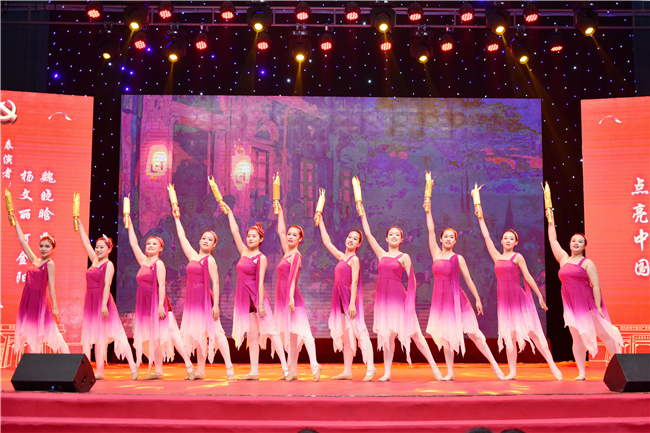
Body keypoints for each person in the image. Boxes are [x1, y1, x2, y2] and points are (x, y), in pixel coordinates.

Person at [358, 203, 442, 382]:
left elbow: (412, 280)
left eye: (397, 234)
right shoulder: (381, 254)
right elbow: (368, 234)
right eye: (391, 234)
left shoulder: (404, 257)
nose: (394, 236)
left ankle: (435, 369)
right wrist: (363, 214)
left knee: (416, 335)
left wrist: (410, 302)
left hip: (400, 299)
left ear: (401, 239)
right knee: (388, 336)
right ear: (386, 238)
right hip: (384, 299)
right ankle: (387, 373)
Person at [475, 210, 562, 380]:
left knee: (533, 333)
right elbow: (486, 237)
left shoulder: (517, 257)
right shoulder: (497, 257)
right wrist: (480, 218)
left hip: (518, 299)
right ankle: (513, 372)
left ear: (516, 242)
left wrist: (539, 296)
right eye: (505, 238)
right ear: (501, 241)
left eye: (511, 239)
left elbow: (528, 277)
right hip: (504, 301)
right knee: (510, 335)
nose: (508, 240)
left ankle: (552, 366)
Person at [424, 202, 504, 381]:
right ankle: (450, 372)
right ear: (440, 239)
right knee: (446, 336)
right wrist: (428, 211)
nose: (448, 239)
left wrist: (477, 298)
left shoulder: (458, 258)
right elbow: (431, 230)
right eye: (445, 237)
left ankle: (496, 367)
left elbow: (468, 279)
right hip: (441, 302)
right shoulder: (435, 253)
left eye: (451, 237)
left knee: (475, 334)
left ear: (455, 240)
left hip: (458, 300)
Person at [546, 210, 622, 380]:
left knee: (603, 334)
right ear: (569, 243)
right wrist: (550, 219)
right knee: (577, 339)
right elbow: (553, 240)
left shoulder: (587, 263)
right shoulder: (563, 259)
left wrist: (598, 307)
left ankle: (622, 364)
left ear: (584, 246)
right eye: (574, 241)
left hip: (587, 304)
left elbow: (596, 286)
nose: (576, 243)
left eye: (580, 242)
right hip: (570, 305)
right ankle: (581, 372)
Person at [222, 203, 292, 381]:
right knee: (252, 335)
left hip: (257, 298)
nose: (250, 238)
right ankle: (254, 371)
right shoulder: (243, 252)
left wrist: (260, 304)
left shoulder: (261, 258)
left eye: (254, 236)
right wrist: (230, 212)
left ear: (261, 240)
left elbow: (260, 282)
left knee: (272, 331)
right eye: (249, 236)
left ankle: (286, 369)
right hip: (244, 299)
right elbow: (235, 232)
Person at [125, 215, 195, 380]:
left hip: (158, 303)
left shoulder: (159, 264)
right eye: (148, 243)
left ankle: (189, 366)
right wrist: (129, 224)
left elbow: (162, 285)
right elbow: (134, 243)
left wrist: (161, 306)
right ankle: (158, 371)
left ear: (160, 249)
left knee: (172, 333)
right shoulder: (143, 262)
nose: (150, 246)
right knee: (153, 336)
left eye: (154, 244)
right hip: (144, 304)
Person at [173, 214, 235, 380]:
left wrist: (216, 306)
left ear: (214, 245)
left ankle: (229, 367)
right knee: (200, 333)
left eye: (210, 239)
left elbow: (216, 282)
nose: (206, 241)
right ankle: (200, 371)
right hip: (192, 299)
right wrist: (177, 218)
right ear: (199, 241)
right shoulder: (192, 256)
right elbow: (182, 237)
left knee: (217, 332)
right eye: (204, 238)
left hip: (205, 300)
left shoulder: (210, 260)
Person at [316, 211, 375, 381]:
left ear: (359, 244)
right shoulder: (342, 257)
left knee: (360, 332)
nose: (351, 240)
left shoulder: (354, 260)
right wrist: (321, 221)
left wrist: (352, 304)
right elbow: (327, 242)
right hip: (339, 299)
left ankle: (371, 367)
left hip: (349, 298)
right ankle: (347, 371)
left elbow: (354, 282)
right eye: (349, 237)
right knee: (346, 336)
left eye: (355, 239)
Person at [76, 218, 138, 380]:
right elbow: (85, 243)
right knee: (97, 337)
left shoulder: (108, 264)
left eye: (101, 247)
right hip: (90, 301)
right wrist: (80, 225)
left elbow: (106, 285)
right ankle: (100, 371)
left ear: (109, 249)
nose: (97, 250)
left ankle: (133, 366)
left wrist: (103, 304)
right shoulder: (95, 260)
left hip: (103, 301)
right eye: (97, 247)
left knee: (119, 335)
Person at [275, 203, 322, 381]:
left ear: (300, 239)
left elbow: (293, 278)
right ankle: (292, 371)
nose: (290, 236)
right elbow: (280, 232)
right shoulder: (287, 252)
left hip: (292, 298)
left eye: (295, 235)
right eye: (290, 234)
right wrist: (281, 211)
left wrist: (290, 299)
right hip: (284, 297)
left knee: (304, 332)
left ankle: (315, 365)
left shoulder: (296, 255)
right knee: (292, 335)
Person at [12, 219, 69, 355]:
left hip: (41, 303)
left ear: (53, 249)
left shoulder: (50, 264)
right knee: (32, 333)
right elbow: (22, 241)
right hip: (29, 301)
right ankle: (34, 364)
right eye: (41, 246)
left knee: (54, 334)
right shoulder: (34, 260)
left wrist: (55, 308)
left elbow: (52, 287)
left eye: (47, 246)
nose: (43, 249)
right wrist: (15, 222)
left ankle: (71, 361)